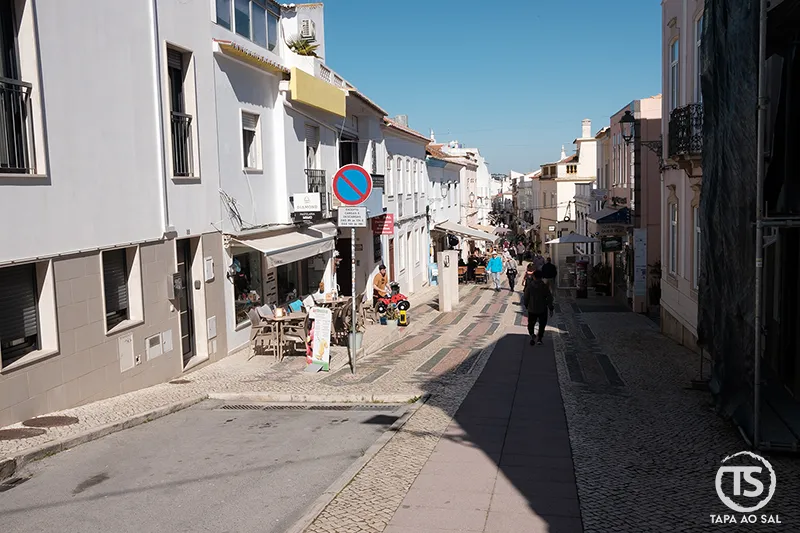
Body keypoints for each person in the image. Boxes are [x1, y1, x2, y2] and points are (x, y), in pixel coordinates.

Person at [523, 270, 554, 345]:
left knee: (531, 323)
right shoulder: (544, 286)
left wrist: (526, 305)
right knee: (542, 324)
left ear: (534, 277)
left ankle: (532, 334)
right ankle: (540, 338)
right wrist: (551, 308)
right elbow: (549, 297)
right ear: (541, 277)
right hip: (542, 308)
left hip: (532, 308)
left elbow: (526, 297)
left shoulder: (530, 286)